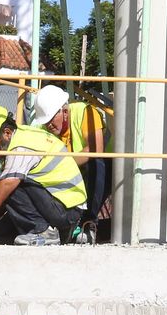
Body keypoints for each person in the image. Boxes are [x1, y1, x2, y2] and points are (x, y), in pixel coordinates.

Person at [0, 103, 86, 245]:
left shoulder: (20, 149)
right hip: (61, 208)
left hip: (66, 212)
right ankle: (43, 231)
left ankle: (42, 232)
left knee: (10, 185)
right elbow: (2, 203)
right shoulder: (23, 134)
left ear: (7, 133)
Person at [31, 86, 111, 227]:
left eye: (50, 119)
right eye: (45, 121)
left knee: (97, 163)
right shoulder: (41, 128)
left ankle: (88, 222)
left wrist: (62, 165)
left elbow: (96, 149)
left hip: (98, 169)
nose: (48, 125)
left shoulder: (84, 112)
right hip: (68, 172)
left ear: (65, 112)